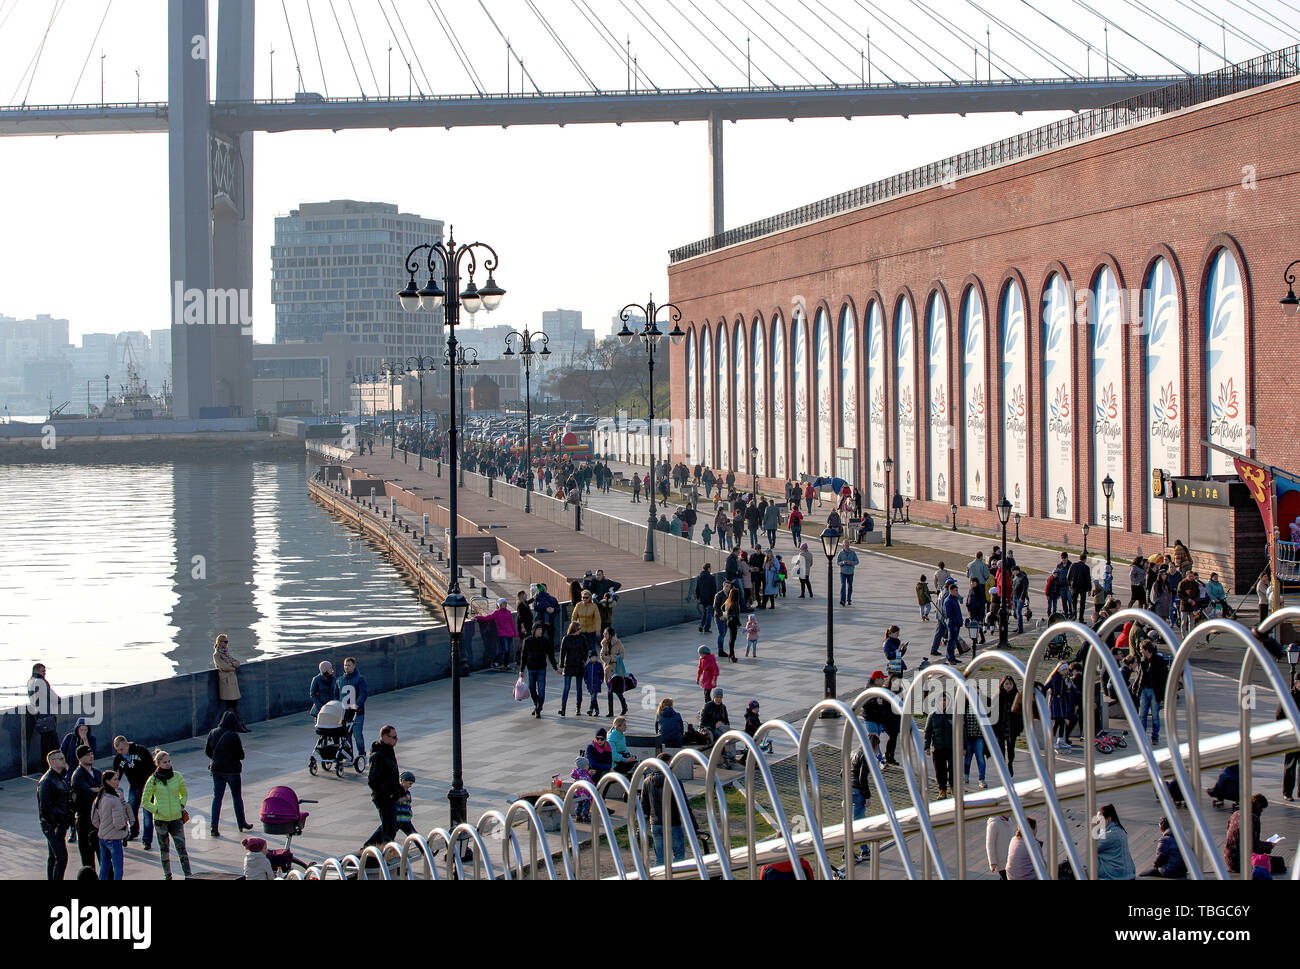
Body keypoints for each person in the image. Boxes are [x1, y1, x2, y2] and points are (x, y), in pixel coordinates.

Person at [141, 749, 191, 880]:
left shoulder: (177, 776)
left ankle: (188, 875)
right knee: (164, 850)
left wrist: (181, 805)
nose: (168, 764)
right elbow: (145, 801)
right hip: (161, 820)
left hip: (176, 818)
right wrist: (157, 810)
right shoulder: (153, 780)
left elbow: (184, 793)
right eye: (164, 762)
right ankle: (167, 876)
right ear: (158, 764)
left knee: (182, 848)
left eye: (169, 761)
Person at [203, 709, 253, 838]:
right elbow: (241, 755)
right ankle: (241, 823)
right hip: (232, 771)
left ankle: (214, 826)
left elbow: (208, 752)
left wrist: (217, 759)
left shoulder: (213, 732)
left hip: (216, 770)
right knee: (236, 797)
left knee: (217, 798)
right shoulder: (233, 735)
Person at [111, 735, 155, 847]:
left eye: (122, 749)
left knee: (147, 814)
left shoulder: (140, 751)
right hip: (133, 786)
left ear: (126, 744)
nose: (120, 752)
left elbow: (152, 767)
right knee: (131, 810)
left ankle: (147, 840)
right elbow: (116, 775)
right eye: (118, 750)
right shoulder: (119, 758)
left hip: (147, 787)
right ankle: (134, 832)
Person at [365, 725, 403, 848]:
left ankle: (368, 847)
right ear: (385, 737)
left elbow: (392, 776)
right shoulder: (378, 755)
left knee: (389, 825)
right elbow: (372, 780)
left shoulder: (388, 750)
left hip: (391, 796)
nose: (396, 739)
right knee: (389, 829)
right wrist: (388, 794)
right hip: (384, 797)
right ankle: (387, 853)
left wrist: (401, 792)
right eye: (394, 737)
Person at [38, 749, 74, 880]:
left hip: (60, 823)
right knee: (61, 858)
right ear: (52, 762)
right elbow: (45, 806)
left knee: (53, 856)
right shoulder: (47, 781)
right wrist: (54, 824)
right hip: (53, 825)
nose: (63, 760)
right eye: (60, 759)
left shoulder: (60, 777)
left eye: (63, 758)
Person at [641, 765, 687, 867]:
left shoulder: (647, 781)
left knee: (660, 858)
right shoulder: (674, 780)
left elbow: (644, 805)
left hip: (656, 823)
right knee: (679, 855)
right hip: (673, 822)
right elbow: (684, 804)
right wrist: (694, 827)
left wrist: (649, 817)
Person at [92, 770, 130, 881]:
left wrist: (101, 827)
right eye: (115, 779)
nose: (118, 781)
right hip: (114, 838)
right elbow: (118, 823)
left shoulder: (99, 797)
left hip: (102, 837)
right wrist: (125, 829)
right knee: (118, 868)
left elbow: (94, 819)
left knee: (104, 866)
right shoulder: (115, 799)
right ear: (108, 782)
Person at [69, 744, 102, 869]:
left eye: (91, 754)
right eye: (87, 755)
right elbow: (86, 794)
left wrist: (96, 790)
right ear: (80, 758)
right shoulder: (78, 775)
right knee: (87, 855)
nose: (91, 756)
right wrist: (97, 790)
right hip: (85, 819)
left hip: (99, 818)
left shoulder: (98, 772)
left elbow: (104, 790)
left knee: (103, 854)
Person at [519, 622, 559, 718]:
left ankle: (538, 708)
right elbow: (523, 656)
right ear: (534, 630)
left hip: (541, 669)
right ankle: (536, 704)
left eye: (541, 630)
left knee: (541, 690)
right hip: (531, 669)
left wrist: (555, 667)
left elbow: (551, 655)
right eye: (538, 630)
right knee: (532, 688)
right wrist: (521, 670)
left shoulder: (545, 641)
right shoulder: (527, 641)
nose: (540, 631)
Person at [27, 662, 61, 773]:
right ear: (36, 670)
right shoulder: (41, 682)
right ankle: (52, 768)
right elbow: (53, 697)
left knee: (44, 744)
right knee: (53, 746)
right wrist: (58, 700)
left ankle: (45, 768)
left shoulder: (30, 682)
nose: (44, 673)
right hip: (46, 717)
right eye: (43, 671)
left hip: (37, 717)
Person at [1224, 794, 1271, 874]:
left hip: (1229, 859)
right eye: (1262, 809)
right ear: (1259, 808)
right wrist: (1269, 846)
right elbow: (1254, 847)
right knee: (1278, 862)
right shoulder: (1253, 818)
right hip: (1242, 862)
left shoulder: (1236, 814)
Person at [212, 634, 250, 732]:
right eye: (225, 642)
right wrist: (232, 665)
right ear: (219, 642)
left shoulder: (226, 653)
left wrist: (231, 665)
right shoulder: (217, 655)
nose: (226, 643)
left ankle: (239, 725)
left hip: (232, 682)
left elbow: (237, 663)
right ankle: (237, 725)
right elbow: (224, 667)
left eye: (227, 642)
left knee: (233, 705)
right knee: (231, 705)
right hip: (226, 683)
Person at [923, 691, 955, 797]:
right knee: (940, 771)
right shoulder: (933, 715)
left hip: (952, 748)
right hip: (938, 748)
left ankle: (953, 789)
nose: (943, 702)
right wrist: (926, 746)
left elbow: (960, 731)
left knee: (953, 769)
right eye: (941, 700)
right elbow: (928, 732)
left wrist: (963, 747)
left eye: (945, 700)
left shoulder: (954, 714)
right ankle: (942, 790)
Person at [1136, 641, 1168, 745]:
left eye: (1142, 649)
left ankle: (1155, 736)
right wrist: (1136, 687)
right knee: (1142, 714)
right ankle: (1142, 736)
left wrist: (1163, 692)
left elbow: (1164, 676)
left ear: (1146, 649)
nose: (1141, 651)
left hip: (1155, 690)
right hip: (1145, 689)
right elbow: (1140, 675)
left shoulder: (1159, 660)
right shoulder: (1143, 660)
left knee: (1155, 715)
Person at [1095, 803, 1136, 879]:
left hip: (1118, 873)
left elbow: (1093, 848)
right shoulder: (1119, 830)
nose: (1097, 822)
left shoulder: (1110, 834)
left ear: (1109, 819)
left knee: (1091, 860)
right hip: (1127, 871)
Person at [338, 656, 369, 754]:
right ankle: (349, 756)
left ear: (354, 666)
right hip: (344, 713)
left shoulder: (360, 679)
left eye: (349, 665)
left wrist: (357, 704)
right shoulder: (340, 680)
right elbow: (336, 695)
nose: (346, 667)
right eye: (345, 665)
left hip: (357, 713)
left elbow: (363, 694)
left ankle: (362, 753)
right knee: (346, 736)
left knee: (357, 734)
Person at [993, 676, 1023, 776]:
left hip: (1012, 727)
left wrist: (1020, 727)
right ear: (1002, 685)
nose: (1008, 686)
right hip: (1000, 727)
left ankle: (1010, 763)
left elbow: (1020, 713)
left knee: (1011, 749)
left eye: (1010, 684)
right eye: (1006, 684)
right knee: (1001, 749)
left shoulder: (1017, 696)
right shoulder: (998, 696)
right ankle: (1003, 767)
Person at [558, 621, 587, 717]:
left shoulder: (582, 638)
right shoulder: (566, 639)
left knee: (579, 688)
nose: (580, 631)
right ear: (574, 629)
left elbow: (586, 650)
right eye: (579, 629)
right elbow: (562, 653)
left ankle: (578, 708)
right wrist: (561, 666)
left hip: (579, 665)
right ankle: (563, 708)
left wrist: (584, 660)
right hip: (569, 665)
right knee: (566, 687)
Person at [600, 627, 630, 717]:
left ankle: (624, 706)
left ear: (611, 634)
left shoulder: (618, 643)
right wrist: (611, 659)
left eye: (606, 633)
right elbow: (602, 655)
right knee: (609, 691)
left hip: (616, 670)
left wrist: (611, 658)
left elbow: (622, 655)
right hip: (608, 670)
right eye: (604, 633)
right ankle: (611, 712)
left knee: (617, 692)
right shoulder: (604, 643)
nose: (604, 635)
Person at [962, 696, 988, 790]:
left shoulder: (983, 706)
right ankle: (966, 775)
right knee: (967, 758)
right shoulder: (964, 706)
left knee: (980, 758)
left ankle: (982, 779)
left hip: (979, 737)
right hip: (968, 737)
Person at [1047, 662, 1073, 751]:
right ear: (1059, 670)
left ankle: (1060, 740)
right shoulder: (1055, 678)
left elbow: (1070, 689)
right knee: (1057, 721)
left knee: (1062, 721)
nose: (1065, 671)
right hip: (1056, 701)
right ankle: (1052, 740)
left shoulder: (1066, 679)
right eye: (1064, 669)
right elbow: (1046, 686)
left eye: (1066, 669)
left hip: (1062, 701)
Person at [572, 589, 603, 653]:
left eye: (586, 597)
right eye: (583, 597)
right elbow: (574, 617)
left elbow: (597, 619)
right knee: (580, 646)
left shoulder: (594, 606)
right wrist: (574, 628)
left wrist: (598, 630)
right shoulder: (578, 605)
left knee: (592, 646)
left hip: (591, 630)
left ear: (590, 598)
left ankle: (593, 659)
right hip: (580, 630)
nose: (585, 599)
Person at [942, 579, 964, 663]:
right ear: (950, 590)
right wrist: (956, 620)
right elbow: (949, 614)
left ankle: (953, 656)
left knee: (954, 640)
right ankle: (949, 657)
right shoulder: (948, 601)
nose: (956, 592)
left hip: (957, 623)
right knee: (951, 641)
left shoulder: (954, 599)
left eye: (957, 591)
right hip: (952, 623)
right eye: (955, 591)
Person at [1068, 553, 1092, 623]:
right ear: (1085, 559)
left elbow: (1068, 576)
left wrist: (1070, 585)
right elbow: (1088, 579)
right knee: (1082, 603)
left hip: (1074, 586)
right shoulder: (1086, 568)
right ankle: (1081, 618)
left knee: (1074, 602)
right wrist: (1089, 589)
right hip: (1083, 587)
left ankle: (1074, 615)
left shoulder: (1073, 565)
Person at [986, 815, 1013, 879]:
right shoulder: (994, 824)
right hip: (1000, 861)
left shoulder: (1009, 821)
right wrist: (992, 862)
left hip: (1009, 858)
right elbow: (990, 844)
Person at [570, 757, 594, 822]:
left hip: (579, 792)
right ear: (584, 766)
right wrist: (593, 785)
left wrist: (589, 773)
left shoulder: (579, 772)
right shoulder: (584, 776)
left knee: (579, 803)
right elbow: (588, 781)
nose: (588, 766)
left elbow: (582, 776)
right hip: (585, 792)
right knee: (586, 804)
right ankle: (585, 815)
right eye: (587, 765)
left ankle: (578, 815)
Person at [695, 562, 717, 632]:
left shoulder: (699, 577)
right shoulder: (711, 577)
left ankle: (701, 625)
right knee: (709, 613)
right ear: (708, 568)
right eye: (710, 568)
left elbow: (697, 588)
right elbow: (714, 589)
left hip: (703, 598)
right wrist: (714, 598)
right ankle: (707, 628)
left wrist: (698, 597)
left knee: (704, 612)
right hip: (710, 598)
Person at [582, 647, 604, 717]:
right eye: (593, 657)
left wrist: (601, 680)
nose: (594, 658)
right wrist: (586, 680)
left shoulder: (599, 665)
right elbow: (585, 674)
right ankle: (597, 710)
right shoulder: (587, 666)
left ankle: (591, 709)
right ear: (590, 658)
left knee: (593, 696)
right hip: (590, 684)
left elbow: (602, 673)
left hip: (597, 683)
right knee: (593, 698)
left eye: (595, 657)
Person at [966, 577, 988, 646]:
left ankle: (977, 639)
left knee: (977, 625)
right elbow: (968, 597)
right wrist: (967, 604)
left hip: (978, 611)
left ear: (977, 583)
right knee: (973, 625)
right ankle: (977, 639)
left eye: (973, 582)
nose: (972, 584)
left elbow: (983, 600)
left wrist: (977, 605)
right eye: (971, 582)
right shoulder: (971, 590)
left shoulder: (979, 590)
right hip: (971, 611)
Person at [395, 771, 417, 836]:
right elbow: (392, 802)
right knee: (386, 834)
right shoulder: (397, 792)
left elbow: (408, 805)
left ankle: (423, 846)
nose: (410, 786)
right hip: (397, 819)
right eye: (409, 783)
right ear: (403, 781)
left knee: (414, 835)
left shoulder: (408, 793)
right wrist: (400, 800)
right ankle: (369, 844)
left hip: (406, 820)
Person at [723, 588, 742, 663]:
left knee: (732, 638)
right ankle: (732, 654)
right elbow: (736, 615)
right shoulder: (735, 603)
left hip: (728, 622)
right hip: (733, 622)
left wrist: (727, 615)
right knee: (733, 638)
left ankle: (731, 654)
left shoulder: (728, 601)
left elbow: (722, 608)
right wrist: (739, 625)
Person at [837, 542, 859, 606]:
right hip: (843, 572)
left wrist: (851, 563)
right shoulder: (841, 553)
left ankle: (849, 599)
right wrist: (842, 562)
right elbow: (838, 562)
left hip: (850, 572)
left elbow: (857, 562)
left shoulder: (853, 553)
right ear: (843, 546)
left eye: (848, 545)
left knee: (850, 586)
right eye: (845, 545)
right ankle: (842, 600)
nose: (847, 547)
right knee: (843, 585)